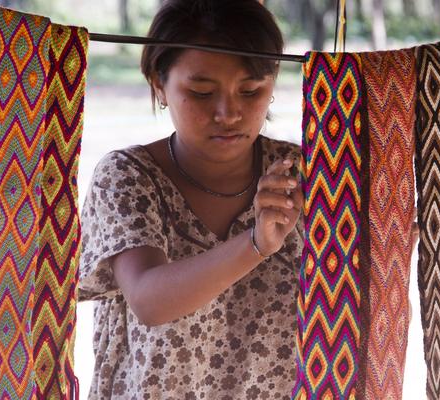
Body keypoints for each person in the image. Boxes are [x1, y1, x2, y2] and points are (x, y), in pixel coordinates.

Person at [78, 0, 304, 398]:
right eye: (201, 92)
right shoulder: (129, 177)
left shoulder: (303, 175)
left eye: (251, 90)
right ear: (158, 85)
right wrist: (256, 244)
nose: (228, 112)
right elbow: (150, 300)